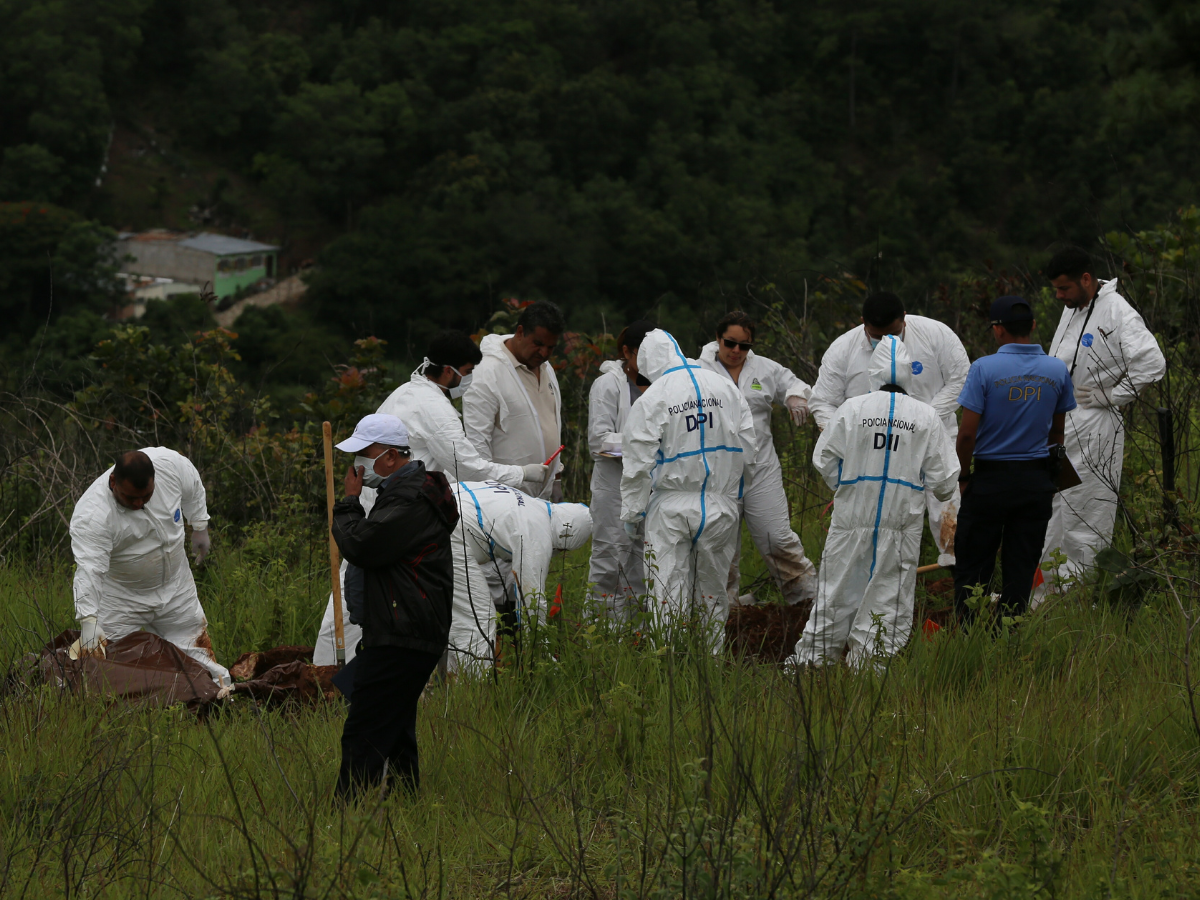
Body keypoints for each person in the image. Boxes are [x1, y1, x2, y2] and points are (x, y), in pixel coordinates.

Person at [313, 331, 548, 665]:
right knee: (468, 610)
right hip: (404, 519)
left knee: (355, 596)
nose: (467, 380)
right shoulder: (434, 407)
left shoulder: (405, 393)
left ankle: (328, 674)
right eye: (467, 372)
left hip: (381, 514)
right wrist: (522, 474)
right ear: (450, 371)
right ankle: (462, 682)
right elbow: (467, 466)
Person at [790, 337, 959, 668]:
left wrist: (847, 485)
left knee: (834, 595)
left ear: (873, 373)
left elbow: (824, 458)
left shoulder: (852, 409)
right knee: (887, 601)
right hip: (901, 524)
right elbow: (945, 481)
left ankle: (810, 668)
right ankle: (868, 675)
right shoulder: (926, 417)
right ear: (910, 374)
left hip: (851, 518)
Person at [331, 413, 458, 800]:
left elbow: (363, 546)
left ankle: (347, 810)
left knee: (365, 726)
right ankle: (405, 799)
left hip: (405, 630)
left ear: (389, 457)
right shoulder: (403, 493)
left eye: (362, 455)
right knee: (397, 722)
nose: (356, 466)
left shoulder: (412, 499)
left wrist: (349, 503)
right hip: (404, 627)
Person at [808, 292, 970, 568]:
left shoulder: (936, 334)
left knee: (948, 512)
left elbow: (961, 379)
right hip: (872, 448)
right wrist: (841, 436)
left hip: (933, 436)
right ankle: (872, 571)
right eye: (877, 337)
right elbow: (823, 401)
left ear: (904, 318)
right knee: (873, 516)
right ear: (863, 323)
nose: (887, 344)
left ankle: (962, 576)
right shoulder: (843, 348)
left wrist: (923, 420)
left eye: (894, 334)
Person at [1038, 247, 1166, 592]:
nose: (1059, 295)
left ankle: (1080, 589)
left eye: (1064, 288)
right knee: (1054, 504)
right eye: (1055, 289)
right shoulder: (1073, 310)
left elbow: (1152, 364)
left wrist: (1109, 396)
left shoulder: (1117, 312)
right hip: (1061, 420)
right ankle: (1047, 586)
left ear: (1086, 279)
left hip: (1095, 423)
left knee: (1087, 506)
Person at [620, 328, 757, 647]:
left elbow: (637, 460)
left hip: (671, 508)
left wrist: (632, 512)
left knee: (666, 592)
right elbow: (749, 446)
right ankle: (709, 661)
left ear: (648, 364)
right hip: (720, 505)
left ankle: (667, 666)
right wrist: (735, 492)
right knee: (712, 593)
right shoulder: (724, 386)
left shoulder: (655, 395)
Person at [953, 297, 1075, 624]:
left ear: (998, 330)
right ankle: (1008, 636)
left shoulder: (983, 368)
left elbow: (967, 435)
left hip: (990, 481)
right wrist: (1049, 479)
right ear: (1034, 326)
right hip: (1035, 483)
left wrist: (964, 476)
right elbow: (1058, 432)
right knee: (1021, 567)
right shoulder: (1056, 369)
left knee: (973, 564)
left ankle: (968, 634)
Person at [69, 448, 229, 685]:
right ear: (113, 481)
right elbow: (90, 570)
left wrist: (199, 524)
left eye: (146, 496)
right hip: (122, 598)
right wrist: (89, 621)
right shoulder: (94, 516)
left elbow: (192, 485)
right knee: (109, 668)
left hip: (176, 587)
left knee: (197, 653)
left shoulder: (170, 466)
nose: (138, 503)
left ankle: (217, 696)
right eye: (130, 498)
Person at [698, 310, 818, 608]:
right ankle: (722, 614)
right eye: (730, 343)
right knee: (721, 548)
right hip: (717, 474)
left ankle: (808, 604)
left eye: (744, 346)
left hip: (761, 470)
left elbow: (794, 384)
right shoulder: (696, 371)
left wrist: (795, 397)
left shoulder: (765, 369)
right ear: (718, 338)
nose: (736, 351)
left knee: (777, 539)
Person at [449, 481, 593, 664]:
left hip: (432, 506)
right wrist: (540, 654)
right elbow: (531, 600)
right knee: (478, 620)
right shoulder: (538, 533)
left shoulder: (531, 505)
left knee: (447, 611)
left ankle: (441, 681)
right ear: (566, 539)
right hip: (450, 529)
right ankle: (473, 685)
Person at [463, 301, 564, 501]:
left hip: (542, 497)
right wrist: (486, 498)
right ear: (520, 332)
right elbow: (477, 448)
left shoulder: (546, 368)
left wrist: (556, 479)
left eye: (550, 347)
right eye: (538, 344)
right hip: (504, 498)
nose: (544, 353)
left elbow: (550, 425)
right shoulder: (487, 373)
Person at [587, 319, 654, 618]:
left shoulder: (662, 384)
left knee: (645, 561)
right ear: (627, 351)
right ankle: (604, 633)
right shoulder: (608, 385)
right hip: (614, 486)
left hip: (651, 486)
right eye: (643, 353)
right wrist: (646, 445)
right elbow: (599, 442)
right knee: (611, 559)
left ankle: (639, 629)